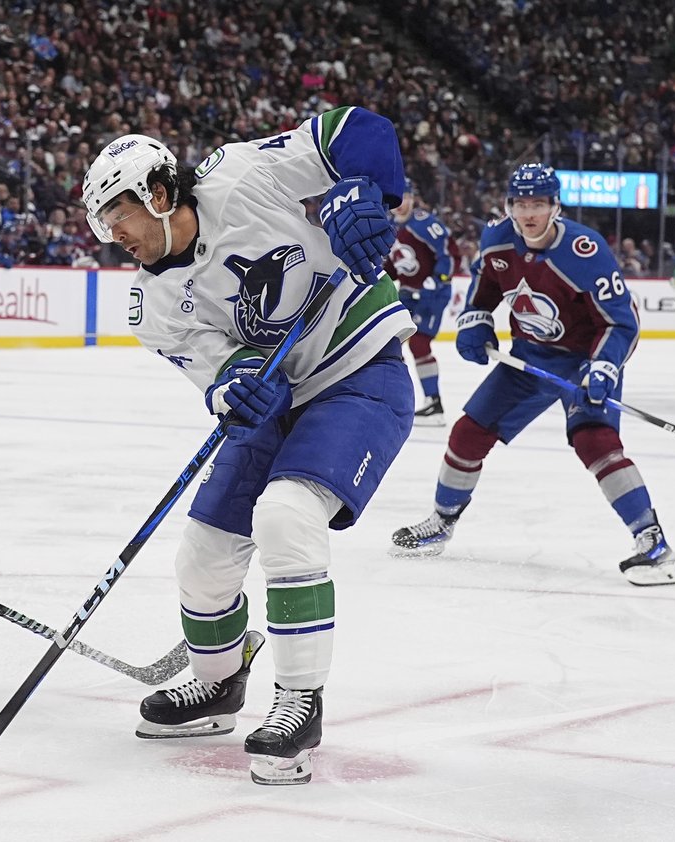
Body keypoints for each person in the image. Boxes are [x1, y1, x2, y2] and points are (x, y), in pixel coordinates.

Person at [81, 106, 417, 786]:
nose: (113, 233)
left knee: (287, 516)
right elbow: (219, 372)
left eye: (118, 212)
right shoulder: (150, 305)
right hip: (282, 400)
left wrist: (365, 194)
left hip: (359, 372)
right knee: (203, 555)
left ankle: (299, 700)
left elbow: (363, 131)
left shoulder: (242, 175)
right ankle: (219, 683)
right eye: (101, 222)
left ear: (158, 192)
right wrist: (232, 388)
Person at [390, 163, 675, 588]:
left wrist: (603, 367)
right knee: (468, 433)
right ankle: (441, 521)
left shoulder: (585, 251)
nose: (529, 213)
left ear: (555, 207)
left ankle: (651, 541)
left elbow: (622, 323)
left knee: (594, 440)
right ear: (508, 205)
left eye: (539, 204)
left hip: (586, 357)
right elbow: (485, 286)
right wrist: (476, 320)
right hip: (529, 356)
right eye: (521, 203)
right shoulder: (497, 239)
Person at [384, 178, 460, 425]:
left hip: (432, 293)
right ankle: (395, 399)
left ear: (412, 197)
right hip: (408, 292)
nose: (400, 203)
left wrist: (439, 278)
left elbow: (449, 252)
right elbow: (395, 267)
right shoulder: (390, 227)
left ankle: (435, 404)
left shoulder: (424, 223)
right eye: (396, 198)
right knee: (388, 342)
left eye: (404, 196)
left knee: (418, 343)